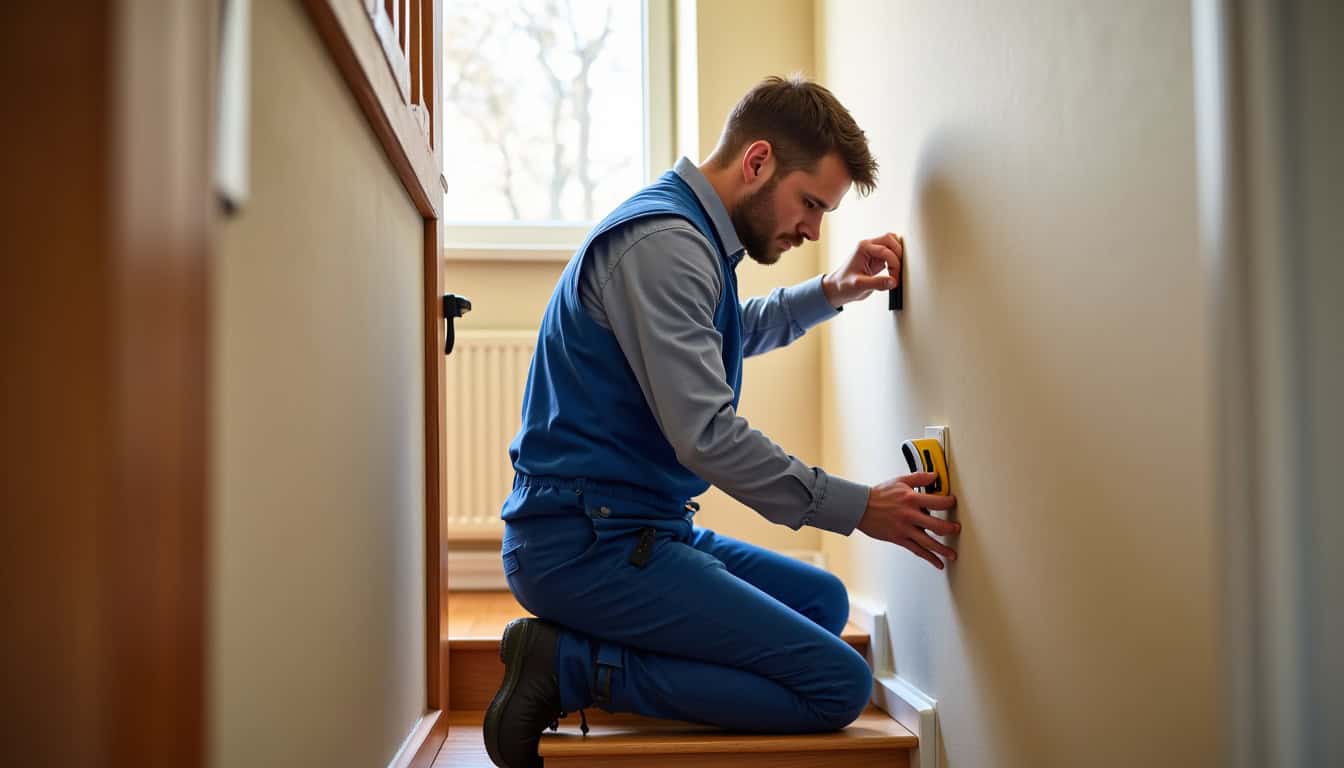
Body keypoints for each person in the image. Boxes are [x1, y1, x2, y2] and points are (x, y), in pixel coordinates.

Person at [482, 74, 960, 768]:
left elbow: (724, 330)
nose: (812, 230)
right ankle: (573, 666)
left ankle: (614, 642)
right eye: (811, 204)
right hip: (582, 545)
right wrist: (860, 508)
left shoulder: (687, 233)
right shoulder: (665, 246)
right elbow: (706, 436)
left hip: (638, 527)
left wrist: (833, 290)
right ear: (758, 161)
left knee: (823, 601)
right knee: (837, 685)